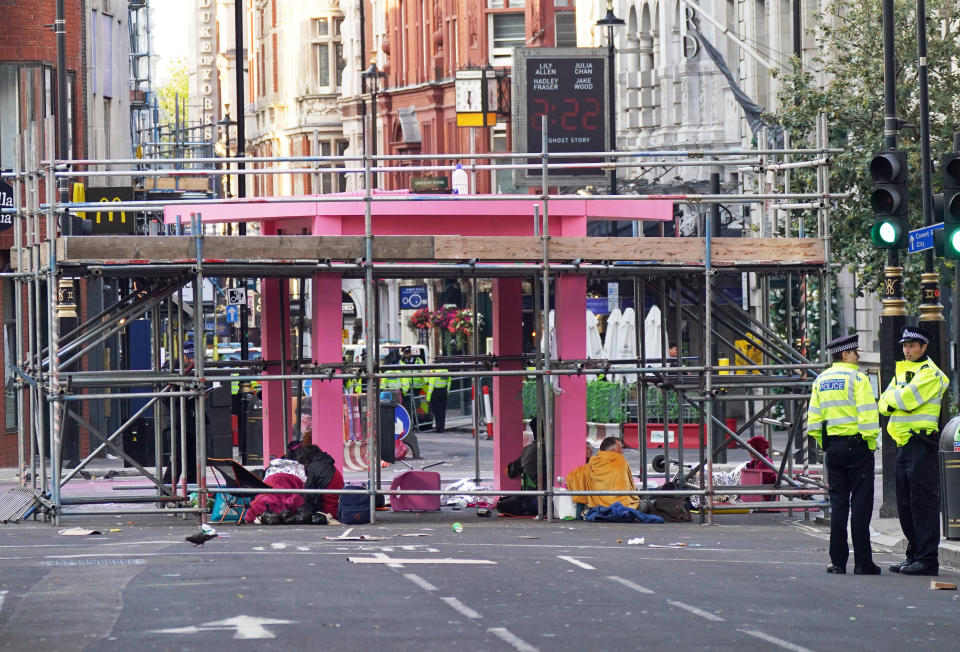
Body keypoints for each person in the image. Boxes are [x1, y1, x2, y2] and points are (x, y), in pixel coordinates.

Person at [805, 334, 881, 575]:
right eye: (855, 352)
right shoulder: (858, 379)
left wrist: (827, 445)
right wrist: (869, 445)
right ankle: (863, 563)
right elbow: (868, 416)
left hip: (834, 450)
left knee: (838, 506)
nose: (858, 356)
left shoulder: (821, 380)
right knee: (861, 506)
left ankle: (838, 562)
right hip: (857, 449)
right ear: (846, 354)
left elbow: (814, 422)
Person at [879, 326, 949, 576]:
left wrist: (895, 399)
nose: (906, 350)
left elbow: (904, 401)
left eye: (911, 345)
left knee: (923, 504)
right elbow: (883, 404)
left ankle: (928, 559)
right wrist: (896, 399)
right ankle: (914, 555)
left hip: (921, 445)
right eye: (904, 345)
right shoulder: (901, 373)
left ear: (923, 348)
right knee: (906, 505)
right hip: (903, 445)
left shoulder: (931, 374)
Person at [566, 436, 640, 510]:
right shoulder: (620, 461)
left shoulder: (591, 466)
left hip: (599, 508)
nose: (622, 451)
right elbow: (628, 489)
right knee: (646, 503)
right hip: (623, 506)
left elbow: (572, 477)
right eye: (620, 448)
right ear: (614, 450)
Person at [426, 367, 450, 432]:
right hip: (444, 392)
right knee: (442, 412)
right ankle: (441, 428)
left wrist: (428, 399)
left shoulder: (434, 372)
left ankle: (438, 428)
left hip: (435, 393)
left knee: (436, 412)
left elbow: (431, 387)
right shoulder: (446, 371)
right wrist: (446, 394)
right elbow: (449, 383)